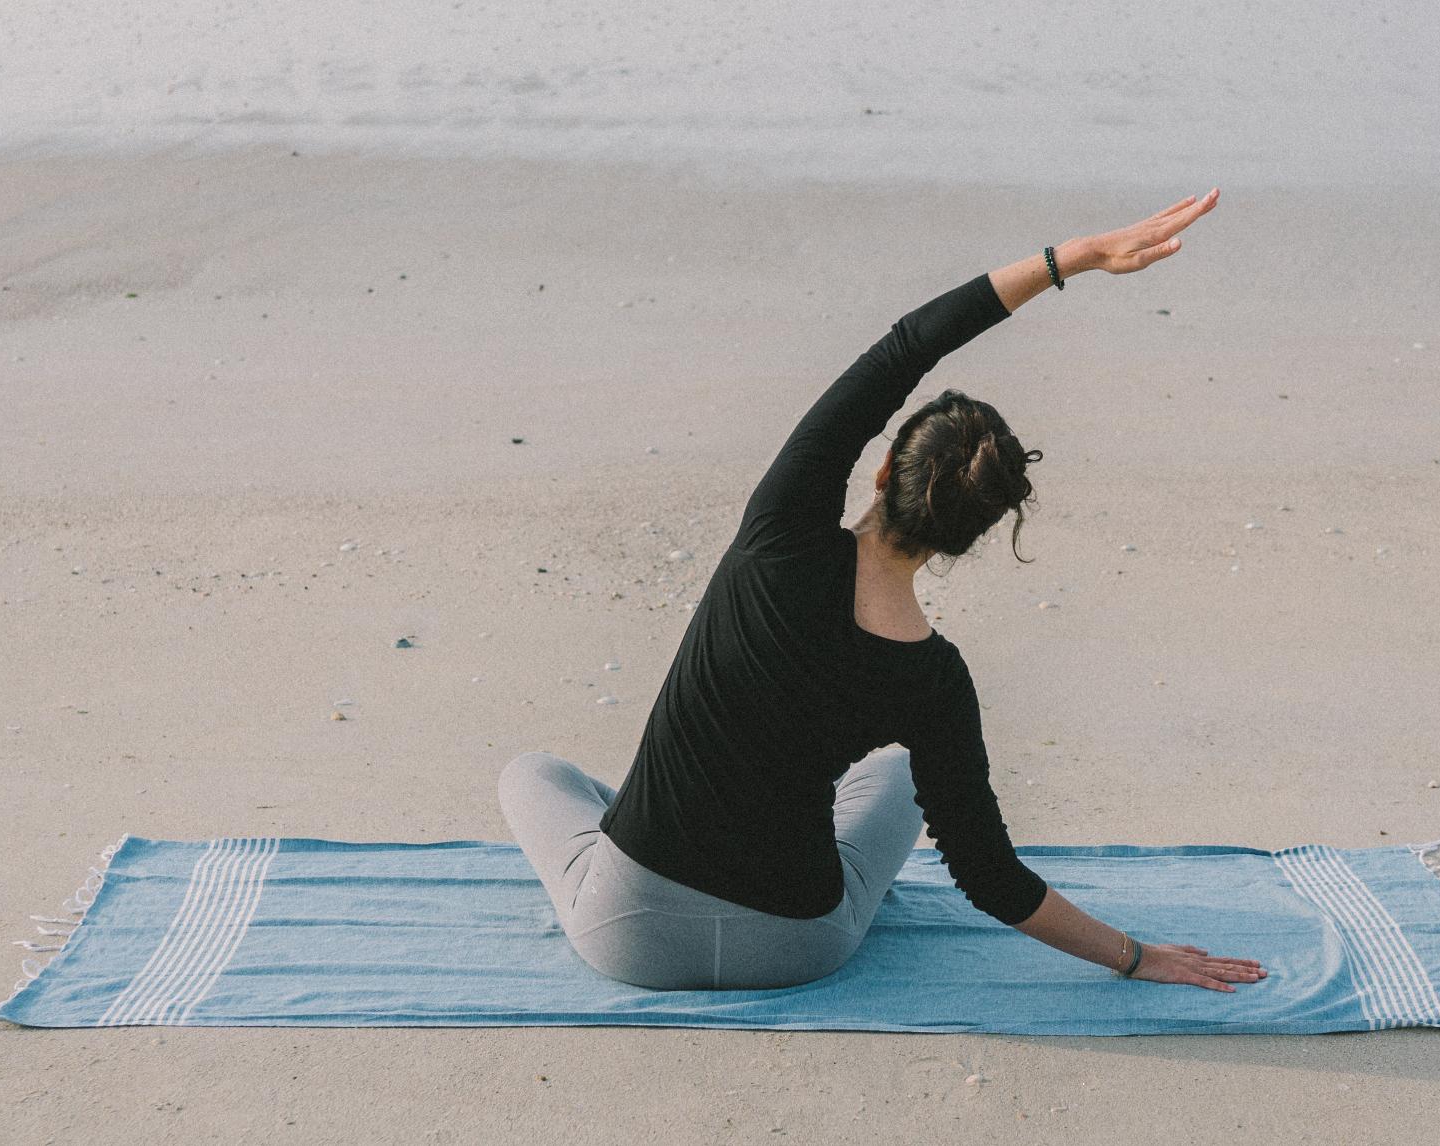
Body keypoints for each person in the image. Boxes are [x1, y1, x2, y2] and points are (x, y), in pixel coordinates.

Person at [499, 188, 1267, 994]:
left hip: (630, 935)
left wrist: (1066, 258)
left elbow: (901, 350)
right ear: (966, 540)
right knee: (900, 778)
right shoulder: (935, 681)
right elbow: (990, 876)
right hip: (795, 952)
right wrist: (1137, 957)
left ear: (879, 470)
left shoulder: (779, 534)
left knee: (535, 774)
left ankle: (681, 822)